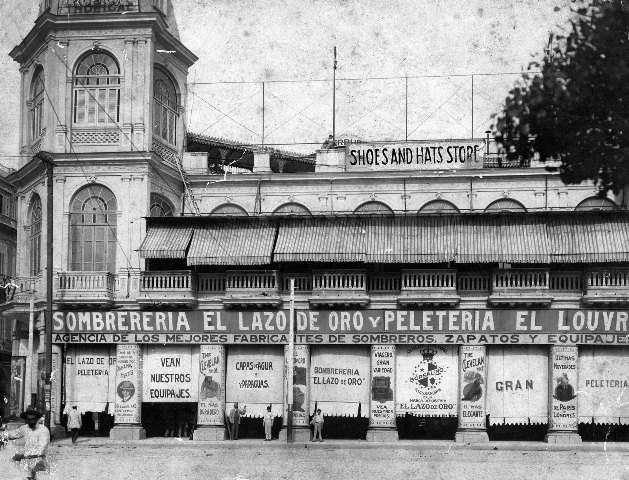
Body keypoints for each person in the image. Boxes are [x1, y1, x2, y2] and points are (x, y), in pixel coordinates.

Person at [0, 407, 50, 480]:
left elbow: (41, 450)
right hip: (27, 462)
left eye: (33, 419)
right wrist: (2, 434)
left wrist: (23, 455)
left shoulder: (43, 430)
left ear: (37, 419)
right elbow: (12, 434)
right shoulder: (25, 428)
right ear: (26, 420)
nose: (31, 422)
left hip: (40, 462)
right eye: (29, 420)